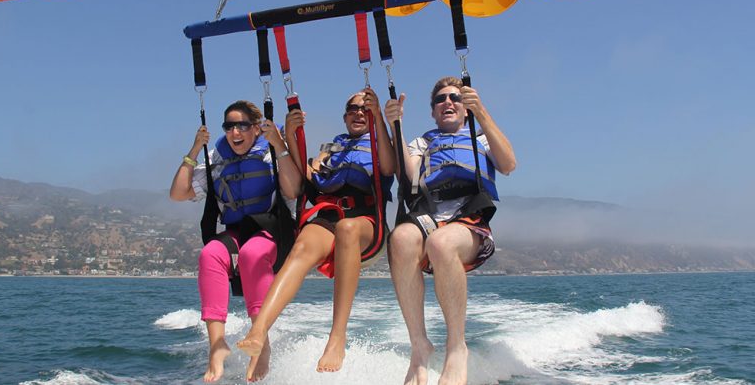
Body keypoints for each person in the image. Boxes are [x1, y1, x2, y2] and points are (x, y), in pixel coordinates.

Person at [237, 88, 395, 378]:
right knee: (300, 248)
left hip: (366, 222)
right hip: (328, 215)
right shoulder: (331, 148)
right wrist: (288, 138)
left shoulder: (380, 141)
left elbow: (387, 167)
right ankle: (258, 331)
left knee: (347, 229)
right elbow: (305, 181)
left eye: (365, 108)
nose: (359, 113)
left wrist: (381, 119)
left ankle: (337, 338)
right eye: (352, 108)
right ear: (345, 116)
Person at [384, 77, 516, 385]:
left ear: (465, 107)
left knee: (442, 243)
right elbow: (408, 175)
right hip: (432, 215)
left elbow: (508, 163)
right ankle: (419, 346)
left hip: (470, 220)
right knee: (401, 237)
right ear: (432, 111)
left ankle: (457, 348)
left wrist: (480, 110)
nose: (448, 102)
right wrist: (396, 126)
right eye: (441, 99)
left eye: (456, 98)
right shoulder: (424, 142)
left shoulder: (480, 137)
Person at [169, 100, 302, 383]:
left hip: (271, 230)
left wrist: (279, 145)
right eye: (229, 126)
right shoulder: (218, 158)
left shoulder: (269, 153)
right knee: (210, 255)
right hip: (236, 231)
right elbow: (178, 193)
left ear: (256, 128)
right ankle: (216, 347)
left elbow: (294, 188)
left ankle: (261, 343)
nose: (234, 132)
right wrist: (194, 149)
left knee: (253, 254)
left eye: (241, 125)